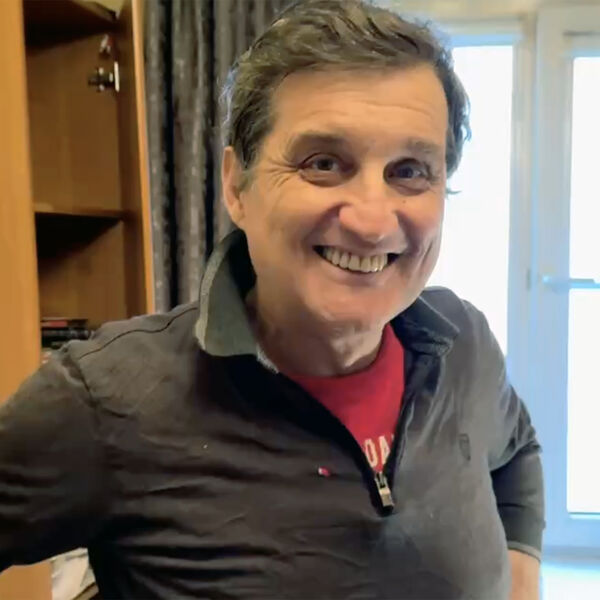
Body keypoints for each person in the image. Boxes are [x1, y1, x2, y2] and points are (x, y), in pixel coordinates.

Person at [0, 1, 544, 598]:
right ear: (237, 185)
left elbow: (517, 452)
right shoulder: (109, 400)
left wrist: (520, 574)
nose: (371, 221)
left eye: (410, 170)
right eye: (323, 163)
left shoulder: (462, 345)